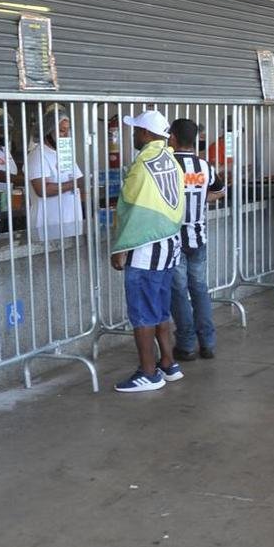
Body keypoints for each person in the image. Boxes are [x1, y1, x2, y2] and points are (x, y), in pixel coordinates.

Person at [109, 110, 185, 393]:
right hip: (168, 246)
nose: (133, 134)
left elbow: (131, 210)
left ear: (146, 134)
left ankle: (148, 372)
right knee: (160, 309)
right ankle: (168, 363)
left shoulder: (142, 164)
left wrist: (121, 247)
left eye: (136, 130)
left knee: (142, 314)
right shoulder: (171, 160)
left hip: (144, 249)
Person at [169, 118, 227, 362]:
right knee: (200, 289)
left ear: (172, 137)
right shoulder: (203, 165)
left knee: (179, 292)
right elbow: (220, 191)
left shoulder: (168, 165)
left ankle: (186, 345)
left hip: (174, 240)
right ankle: (208, 343)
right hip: (198, 237)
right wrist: (201, 199)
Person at [26, 106, 84, 244]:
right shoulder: (37, 155)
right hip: (48, 225)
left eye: (66, 131)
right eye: (61, 131)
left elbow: (80, 179)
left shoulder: (64, 153)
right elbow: (42, 190)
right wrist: (74, 184)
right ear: (48, 131)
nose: (65, 135)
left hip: (70, 222)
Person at [0, 108, 24, 227]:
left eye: (7, 131)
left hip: (5, 197)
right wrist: (19, 179)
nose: (4, 134)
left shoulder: (3, 148)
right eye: (1, 131)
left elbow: (10, 167)